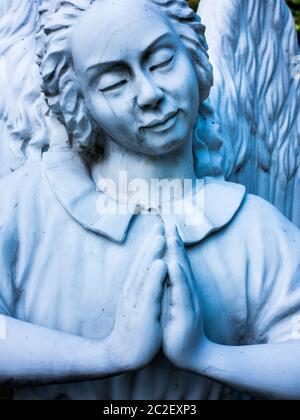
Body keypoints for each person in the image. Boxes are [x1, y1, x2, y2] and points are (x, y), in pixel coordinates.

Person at [0, 0, 300, 400]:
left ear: (194, 58)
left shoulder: (254, 228)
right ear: (80, 103)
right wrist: (107, 354)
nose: (149, 94)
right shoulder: (26, 207)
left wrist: (204, 356)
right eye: (113, 84)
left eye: (161, 61)